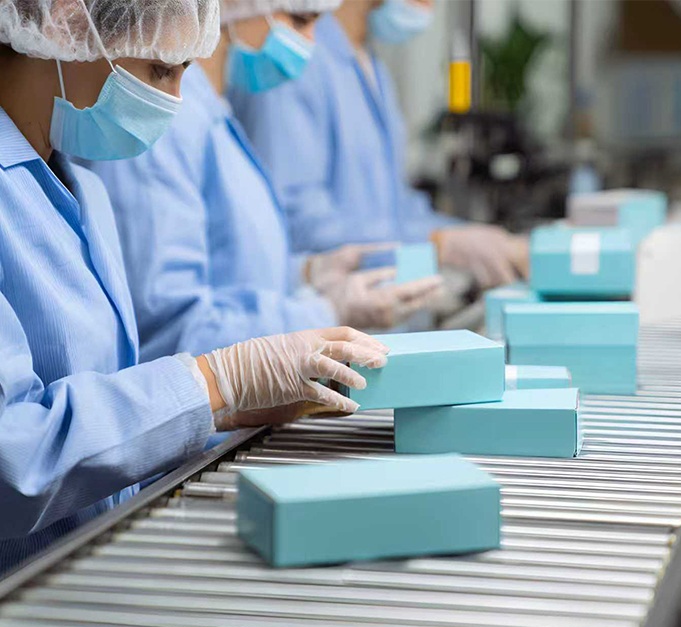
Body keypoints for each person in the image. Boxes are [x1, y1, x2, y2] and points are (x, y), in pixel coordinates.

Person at [0, 0, 388, 574]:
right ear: (64, 20)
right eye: (161, 70)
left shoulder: (79, 186)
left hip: (80, 568)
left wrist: (219, 411)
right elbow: (14, 464)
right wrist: (213, 385)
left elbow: (100, 398)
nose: (176, 101)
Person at [88, 0, 441, 364]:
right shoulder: (164, 122)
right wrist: (324, 313)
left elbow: (232, 270)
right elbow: (172, 329)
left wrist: (305, 275)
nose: (310, 43)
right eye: (300, 20)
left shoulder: (214, 110)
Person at [229, 0, 528, 289]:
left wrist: (478, 239)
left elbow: (395, 208)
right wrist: (437, 244)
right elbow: (299, 222)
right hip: (332, 324)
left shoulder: (372, 65)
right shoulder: (294, 59)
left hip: (389, 318)